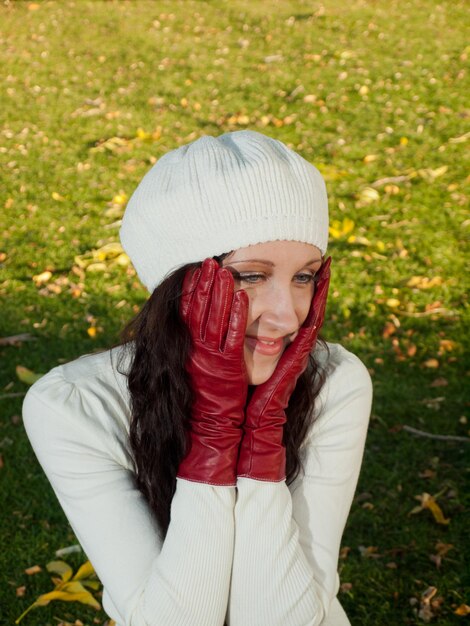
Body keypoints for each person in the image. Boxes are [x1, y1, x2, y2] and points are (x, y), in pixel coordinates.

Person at [22, 130, 373, 626]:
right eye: (250, 276)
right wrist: (214, 427)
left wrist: (262, 432)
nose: (289, 318)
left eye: (304, 277)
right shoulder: (73, 405)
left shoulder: (336, 380)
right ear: (177, 287)